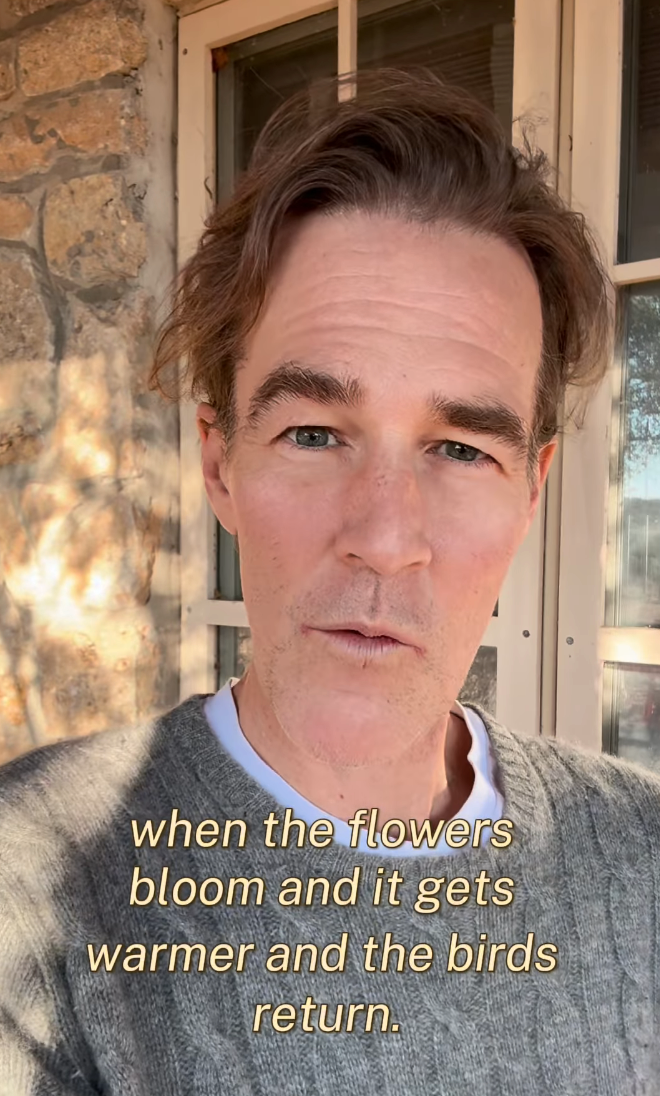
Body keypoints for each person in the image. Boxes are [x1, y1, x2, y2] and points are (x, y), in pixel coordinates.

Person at [0, 67, 658, 1096]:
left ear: (530, 492)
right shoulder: (33, 893)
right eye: (313, 433)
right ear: (220, 461)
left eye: (461, 448)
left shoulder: (641, 854)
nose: (385, 538)